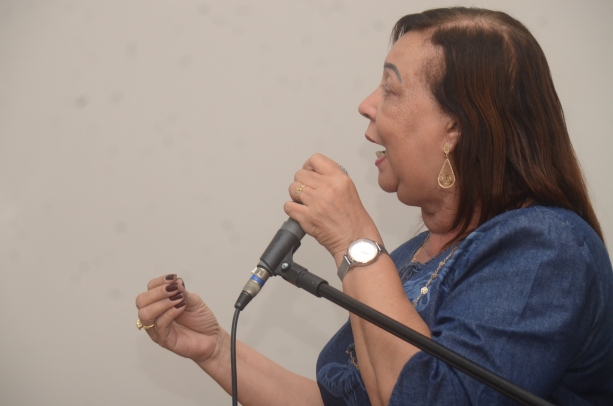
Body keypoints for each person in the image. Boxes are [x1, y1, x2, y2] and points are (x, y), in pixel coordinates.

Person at [134, 7, 613, 405]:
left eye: (391, 89)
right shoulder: (407, 259)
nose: (366, 104)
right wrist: (215, 349)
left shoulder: (546, 251)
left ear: (455, 128)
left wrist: (355, 240)